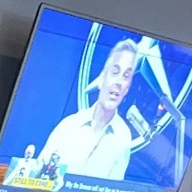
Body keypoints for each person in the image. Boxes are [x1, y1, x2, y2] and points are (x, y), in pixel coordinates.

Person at [38, 38, 137, 181]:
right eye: (115, 72)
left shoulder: (123, 137)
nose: (119, 83)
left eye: (126, 76)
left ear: (127, 88)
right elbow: (35, 178)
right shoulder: (69, 126)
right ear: (101, 79)